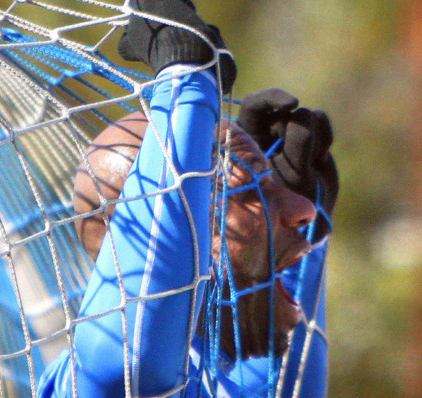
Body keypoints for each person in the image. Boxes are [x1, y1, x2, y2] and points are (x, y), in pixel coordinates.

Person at [38, 1, 337, 396]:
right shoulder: (101, 381)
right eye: (249, 193)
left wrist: (297, 237)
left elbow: (285, 379)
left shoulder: (229, 380)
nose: (305, 210)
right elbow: (135, 355)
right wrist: (185, 75)